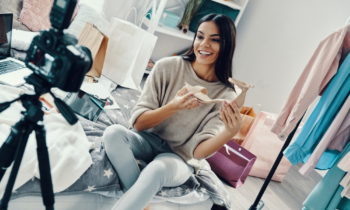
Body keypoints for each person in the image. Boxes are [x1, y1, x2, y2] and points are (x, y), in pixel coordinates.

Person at [103, 13, 245, 210]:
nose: (204, 44)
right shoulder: (166, 67)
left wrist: (229, 133)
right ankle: (141, 204)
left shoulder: (226, 95)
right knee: (113, 133)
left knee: (157, 170)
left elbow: (198, 152)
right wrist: (174, 106)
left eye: (215, 40)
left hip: (179, 158)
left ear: (227, 46)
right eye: (200, 36)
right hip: (145, 141)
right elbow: (138, 124)